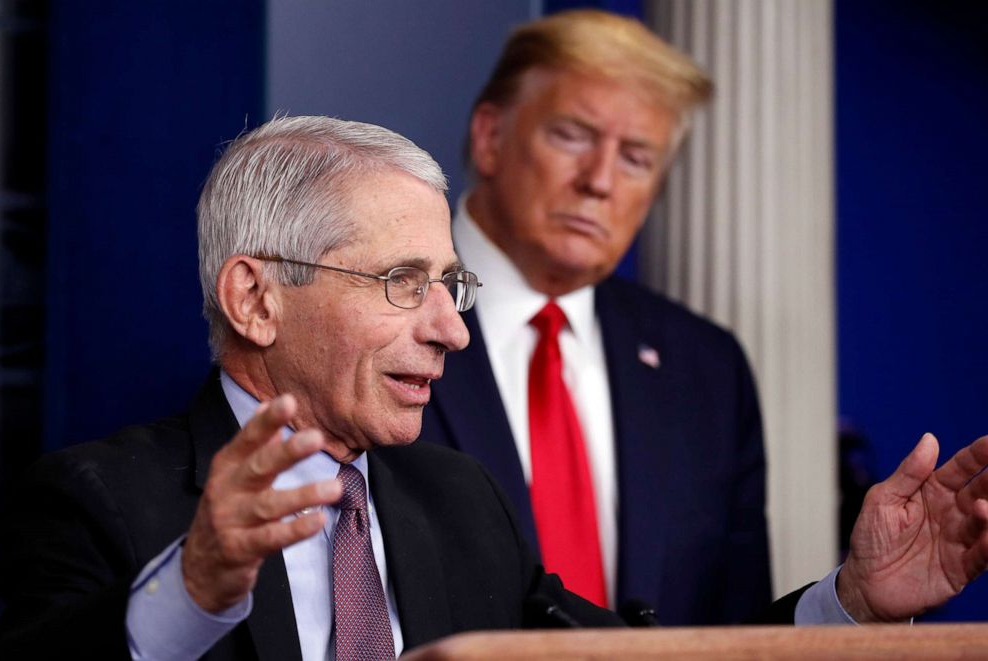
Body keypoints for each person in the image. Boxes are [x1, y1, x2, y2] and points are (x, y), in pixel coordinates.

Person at [0, 116, 986, 661]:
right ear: (256, 297)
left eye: (452, 284)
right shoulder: (93, 501)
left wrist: (848, 603)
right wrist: (196, 591)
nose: (452, 328)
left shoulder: (455, 497)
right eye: (403, 284)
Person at [416, 8, 986, 625]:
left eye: (636, 157)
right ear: (489, 136)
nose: (599, 180)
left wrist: (854, 602)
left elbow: (732, 635)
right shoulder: (382, 316)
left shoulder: (705, 370)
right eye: (572, 135)